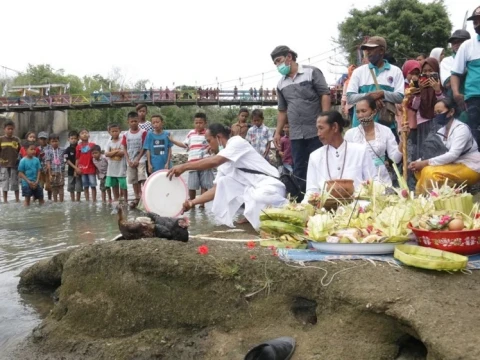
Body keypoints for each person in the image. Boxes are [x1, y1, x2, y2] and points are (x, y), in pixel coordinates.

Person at [167, 123, 286, 230]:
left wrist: (184, 167)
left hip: (272, 186)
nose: (208, 146)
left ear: (218, 138)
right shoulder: (224, 162)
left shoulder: (237, 142)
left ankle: (268, 211)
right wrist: (192, 203)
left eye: (209, 141)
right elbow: (216, 190)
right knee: (224, 181)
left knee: (260, 197)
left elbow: (214, 161)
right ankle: (252, 214)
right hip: (256, 188)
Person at [271, 45, 331, 198]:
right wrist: (277, 133)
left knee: (320, 165)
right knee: (299, 169)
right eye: (275, 63)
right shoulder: (281, 84)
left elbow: (325, 94)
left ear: (289, 57)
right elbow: (282, 110)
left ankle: (325, 200)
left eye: (279, 61)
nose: (278, 66)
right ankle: (303, 202)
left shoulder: (311, 72)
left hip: (316, 131)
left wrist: (325, 121)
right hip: (296, 134)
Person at [408, 98, 480, 194]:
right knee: (419, 170)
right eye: (435, 113)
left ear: (451, 112)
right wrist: (417, 163)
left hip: (471, 166)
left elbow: (453, 155)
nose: (437, 115)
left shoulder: (461, 129)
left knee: (429, 172)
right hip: (454, 165)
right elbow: (434, 154)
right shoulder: (441, 131)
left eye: (439, 112)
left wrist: (425, 162)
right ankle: (441, 195)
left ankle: (427, 200)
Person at [303, 111, 377, 202]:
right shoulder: (315, 156)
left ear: (334, 127)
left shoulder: (360, 151)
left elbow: (373, 182)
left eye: (321, 128)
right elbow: (311, 191)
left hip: (358, 209)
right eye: (317, 129)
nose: (318, 134)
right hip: (325, 211)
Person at [346, 36, 404, 130]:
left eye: (371, 49)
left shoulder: (396, 71)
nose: (367, 52)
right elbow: (350, 98)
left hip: (386, 127)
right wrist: (370, 96)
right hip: (360, 128)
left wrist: (382, 94)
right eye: (366, 49)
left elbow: (400, 97)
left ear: (381, 50)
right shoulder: (359, 71)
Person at [344, 96, 403, 186]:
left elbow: (395, 159)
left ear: (374, 112)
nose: (360, 115)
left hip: (382, 180)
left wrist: (403, 140)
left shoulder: (385, 131)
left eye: (363, 111)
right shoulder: (350, 134)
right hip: (359, 181)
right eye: (357, 112)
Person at [169, 112, 214, 205]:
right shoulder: (191, 133)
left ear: (205, 123)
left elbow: (213, 145)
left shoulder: (208, 133)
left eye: (200, 122)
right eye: (196, 122)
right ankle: (192, 203)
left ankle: (202, 205)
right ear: (194, 123)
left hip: (205, 163)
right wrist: (173, 141)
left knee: (204, 185)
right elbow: (184, 144)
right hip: (192, 164)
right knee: (192, 186)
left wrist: (211, 149)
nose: (198, 124)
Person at [451, 6, 480, 146]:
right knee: (475, 136)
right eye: (475, 22)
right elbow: (455, 73)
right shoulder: (468, 45)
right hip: (474, 98)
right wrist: (456, 93)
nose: (477, 24)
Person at [410, 57, 444, 160]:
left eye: (431, 70)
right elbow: (414, 107)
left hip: (437, 124)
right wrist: (419, 91)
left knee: (436, 153)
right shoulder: (417, 87)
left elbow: (444, 105)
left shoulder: (442, 85)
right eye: (425, 71)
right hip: (422, 123)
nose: (428, 74)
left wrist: (437, 91)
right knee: (423, 153)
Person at [441, 29, 471, 123]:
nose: (457, 45)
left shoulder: (475, 59)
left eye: (461, 42)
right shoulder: (447, 61)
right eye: (454, 43)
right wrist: (465, 68)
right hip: (456, 105)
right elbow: (448, 83)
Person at [122, 111, 147, 208]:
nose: (134, 123)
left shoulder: (143, 132)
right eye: (132, 121)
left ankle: (143, 194)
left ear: (139, 121)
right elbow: (124, 147)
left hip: (140, 159)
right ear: (128, 122)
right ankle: (137, 196)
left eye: (135, 121)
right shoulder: (126, 134)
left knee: (141, 177)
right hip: (130, 161)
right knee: (133, 179)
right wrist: (128, 160)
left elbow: (144, 146)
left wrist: (138, 158)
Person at [105, 124, 127, 202]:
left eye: (116, 131)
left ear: (120, 131)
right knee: (114, 185)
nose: (114, 133)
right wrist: (117, 151)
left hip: (121, 167)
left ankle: (125, 200)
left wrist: (112, 152)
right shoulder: (109, 142)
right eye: (113, 131)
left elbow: (123, 153)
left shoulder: (122, 140)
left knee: (123, 185)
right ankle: (116, 199)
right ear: (109, 132)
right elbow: (106, 154)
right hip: (112, 168)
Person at [0, 120, 21, 203]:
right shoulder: (1, 139)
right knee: (5, 182)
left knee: (15, 182)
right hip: (3, 164)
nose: (10, 131)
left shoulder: (16, 140)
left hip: (14, 164)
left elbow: (20, 151)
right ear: (4, 129)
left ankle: (17, 199)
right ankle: (5, 200)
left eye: (12, 129)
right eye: (8, 129)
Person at [75, 129, 97, 202]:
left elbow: (96, 157)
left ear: (89, 135)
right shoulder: (78, 147)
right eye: (82, 133)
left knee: (93, 185)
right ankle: (87, 200)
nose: (84, 134)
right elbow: (77, 158)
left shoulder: (92, 145)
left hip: (91, 169)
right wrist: (76, 169)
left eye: (86, 133)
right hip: (82, 170)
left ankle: (94, 200)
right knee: (85, 186)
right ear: (79, 137)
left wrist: (98, 168)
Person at [45, 133, 65, 203]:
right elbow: (48, 163)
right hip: (52, 171)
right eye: (52, 141)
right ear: (49, 142)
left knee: (61, 186)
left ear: (59, 141)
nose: (54, 143)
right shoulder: (48, 151)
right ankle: (55, 201)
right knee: (54, 187)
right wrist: (50, 174)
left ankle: (61, 201)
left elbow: (66, 159)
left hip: (61, 171)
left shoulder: (62, 150)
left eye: (56, 141)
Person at [64, 131, 83, 202]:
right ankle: (72, 201)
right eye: (72, 138)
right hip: (70, 171)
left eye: (75, 138)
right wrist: (76, 168)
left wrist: (78, 169)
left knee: (79, 187)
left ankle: (78, 201)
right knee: (71, 187)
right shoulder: (67, 150)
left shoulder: (80, 148)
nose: (73, 140)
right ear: (68, 139)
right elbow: (67, 160)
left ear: (78, 139)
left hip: (80, 171)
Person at [37, 131, 52, 201]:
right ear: (38, 140)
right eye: (41, 139)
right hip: (39, 170)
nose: (43, 140)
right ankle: (41, 199)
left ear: (47, 140)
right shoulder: (37, 149)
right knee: (40, 186)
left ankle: (49, 199)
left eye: (44, 139)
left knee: (49, 186)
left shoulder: (50, 148)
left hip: (48, 170)